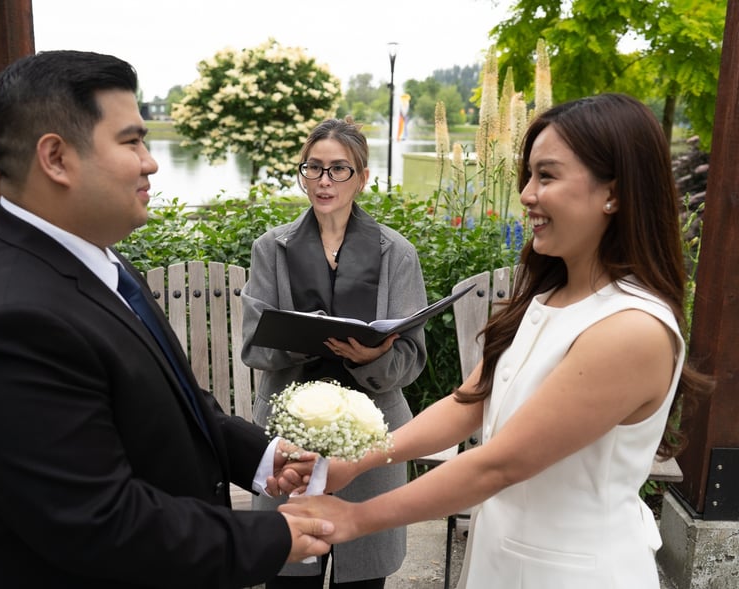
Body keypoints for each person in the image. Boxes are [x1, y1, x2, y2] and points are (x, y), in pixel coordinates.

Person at [279, 93, 713, 588]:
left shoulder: (632, 328)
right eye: (528, 176)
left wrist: (355, 519)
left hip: (577, 571)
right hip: (501, 558)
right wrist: (353, 462)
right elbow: (470, 402)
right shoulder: (548, 295)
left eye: (546, 176)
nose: (527, 194)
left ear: (613, 192)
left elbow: (498, 465)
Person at [0, 50, 334, 589]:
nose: (151, 161)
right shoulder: (10, 316)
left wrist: (258, 455)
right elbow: (99, 522)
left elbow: (166, 398)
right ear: (56, 158)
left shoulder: (100, 258)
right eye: (131, 141)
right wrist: (272, 537)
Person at [240, 117, 428, 588]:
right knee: (288, 574)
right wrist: (303, 340)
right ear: (302, 174)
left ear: (363, 178)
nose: (325, 181)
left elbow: (411, 360)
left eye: (339, 170)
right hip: (289, 437)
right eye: (314, 168)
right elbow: (253, 346)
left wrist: (372, 359)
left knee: (362, 578)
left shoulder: (397, 254)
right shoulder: (271, 249)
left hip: (370, 437)